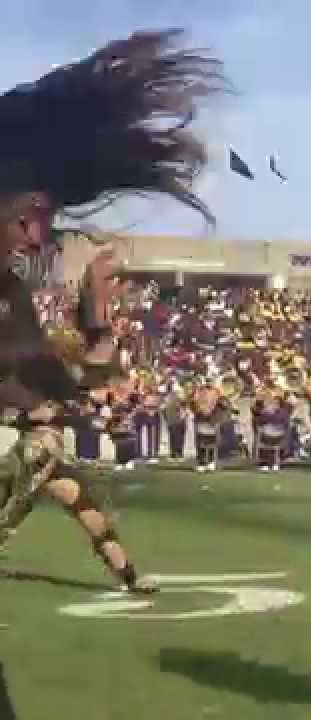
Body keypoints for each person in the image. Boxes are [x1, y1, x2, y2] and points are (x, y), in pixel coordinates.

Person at [0, 29, 228, 594]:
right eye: (30, 216)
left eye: (46, 219)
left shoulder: (12, 288)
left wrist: (98, 326)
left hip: (29, 442)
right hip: (17, 438)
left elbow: (61, 370)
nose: (38, 237)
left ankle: (128, 575)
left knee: (83, 504)